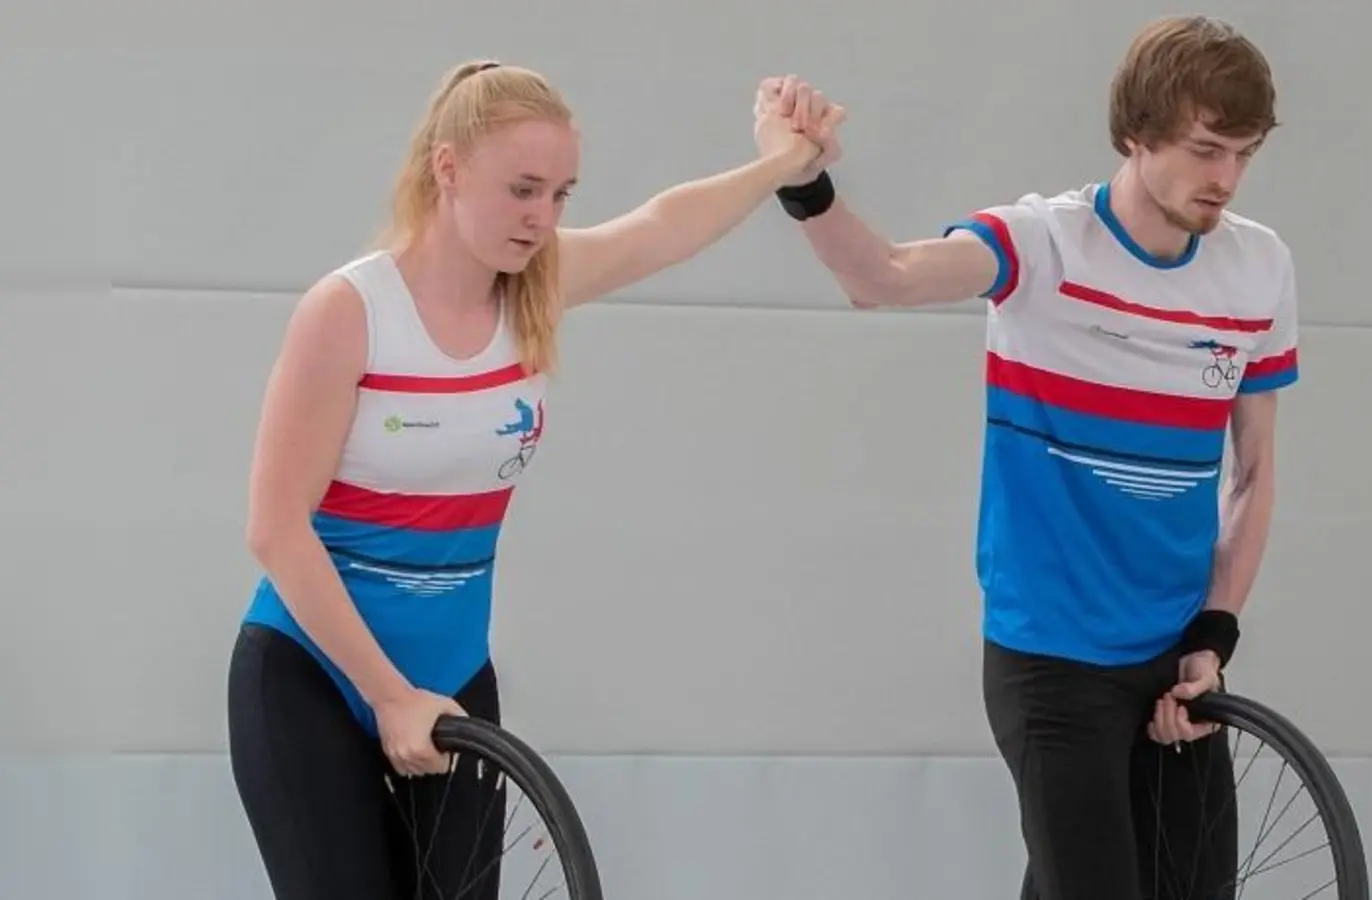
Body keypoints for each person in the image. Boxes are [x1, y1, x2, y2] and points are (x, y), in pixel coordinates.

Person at [226, 59, 841, 899]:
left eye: (560, 195)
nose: (542, 218)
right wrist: (390, 696)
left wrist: (781, 161)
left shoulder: (537, 289)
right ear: (447, 168)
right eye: (522, 190)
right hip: (314, 672)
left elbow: (664, 225)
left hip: (452, 671)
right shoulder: (351, 312)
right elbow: (275, 528)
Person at [761, 15, 1297, 900]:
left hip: (1174, 655)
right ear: (1136, 131)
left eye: (1244, 154)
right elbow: (883, 277)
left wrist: (1214, 632)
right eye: (1207, 150)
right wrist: (808, 183)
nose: (1226, 179)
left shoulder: (1259, 266)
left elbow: (1253, 471)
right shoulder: (1041, 244)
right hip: (1053, 662)